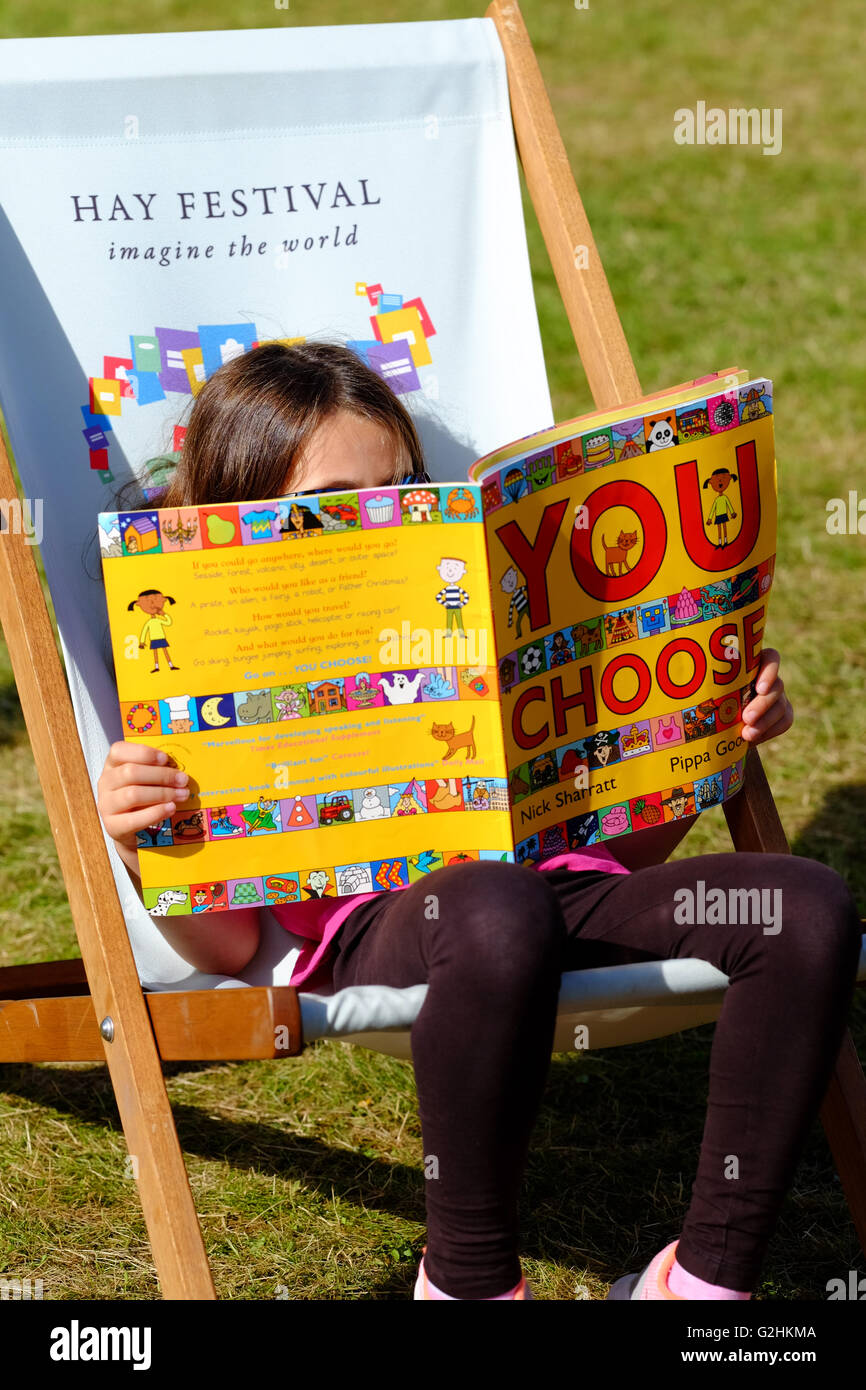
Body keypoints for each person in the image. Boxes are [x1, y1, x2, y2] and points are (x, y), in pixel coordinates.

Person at [95, 341, 862, 1302]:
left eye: (404, 487)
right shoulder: (198, 670)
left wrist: (706, 730)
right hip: (406, 929)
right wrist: (142, 846)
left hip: (562, 892)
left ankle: (700, 1291)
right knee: (497, 908)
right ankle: (466, 1285)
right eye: (340, 499)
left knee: (810, 906)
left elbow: (619, 847)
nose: (384, 515)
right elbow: (226, 945)